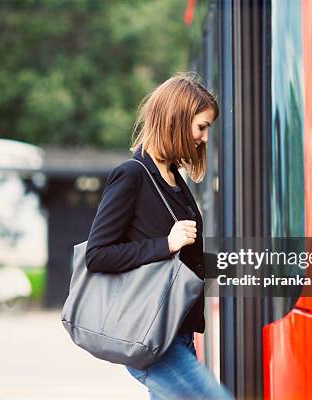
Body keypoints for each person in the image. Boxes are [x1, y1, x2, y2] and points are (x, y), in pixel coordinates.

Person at [85, 73, 233, 399]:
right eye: (201, 127)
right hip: (151, 335)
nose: (205, 138)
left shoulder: (175, 179)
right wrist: (165, 243)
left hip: (177, 332)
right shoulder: (133, 175)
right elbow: (97, 255)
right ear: (178, 120)